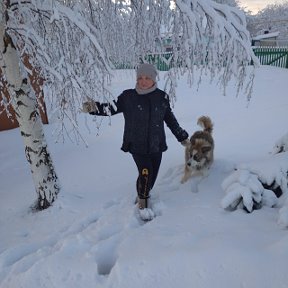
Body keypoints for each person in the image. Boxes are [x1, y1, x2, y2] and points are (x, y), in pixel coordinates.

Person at [82, 63, 189, 220]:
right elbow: (110, 108)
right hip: (136, 144)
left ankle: (142, 192)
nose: (143, 81)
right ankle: (143, 205)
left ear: (154, 79)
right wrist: (92, 107)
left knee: (150, 177)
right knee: (146, 172)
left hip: (156, 144)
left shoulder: (162, 97)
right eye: (140, 78)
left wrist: (182, 136)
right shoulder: (128, 97)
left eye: (147, 78)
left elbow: (170, 119)